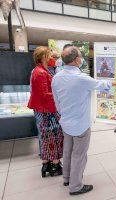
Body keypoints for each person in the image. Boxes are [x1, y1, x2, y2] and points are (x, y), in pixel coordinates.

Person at [52, 46, 116, 195]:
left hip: (66, 122)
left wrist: (64, 115)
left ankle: (67, 178)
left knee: (67, 151)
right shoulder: (81, 78)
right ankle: (75, 186)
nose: (82, 59)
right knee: (79, 155)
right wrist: (114, 82)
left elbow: (57, 103)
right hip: (80, 124)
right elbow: (102, 85)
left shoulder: (56, 77)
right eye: (81, 56)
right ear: (76, 60)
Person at [28, 46, 64, 178]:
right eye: (50, 56)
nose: (52, 58)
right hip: (47, 111)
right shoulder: (41, 73)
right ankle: (55, 166)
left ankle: (46, 164)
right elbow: (45, 95)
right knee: (54, 136)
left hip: (42, 110)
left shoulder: (39, 71)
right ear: (43, 57)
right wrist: (60, 95)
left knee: (45, 137)